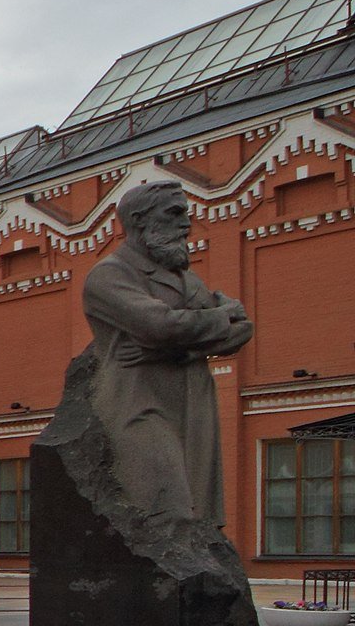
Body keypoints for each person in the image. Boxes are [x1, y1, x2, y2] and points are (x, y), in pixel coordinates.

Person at [81, 180, 253, 526]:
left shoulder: (188, 281)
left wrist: (175, 351)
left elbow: (242, 329)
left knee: (201, 522)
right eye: (175, 213)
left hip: (194, 409)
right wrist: (214, 319)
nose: (186, 223)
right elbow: (158, 326)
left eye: (186, 213)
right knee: (165, 509)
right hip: (140, 405)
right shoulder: (109, 275)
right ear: (141, 219)